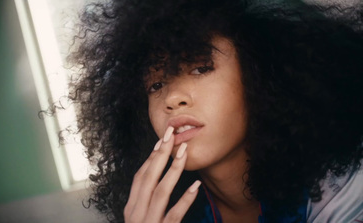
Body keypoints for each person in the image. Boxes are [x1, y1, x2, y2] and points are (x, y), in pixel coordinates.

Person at [68, 0, 363, 222]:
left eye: (200, 68)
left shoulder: (343, 186)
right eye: (156, 85)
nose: (172, 98)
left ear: (259, 74)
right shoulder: (165, 215)